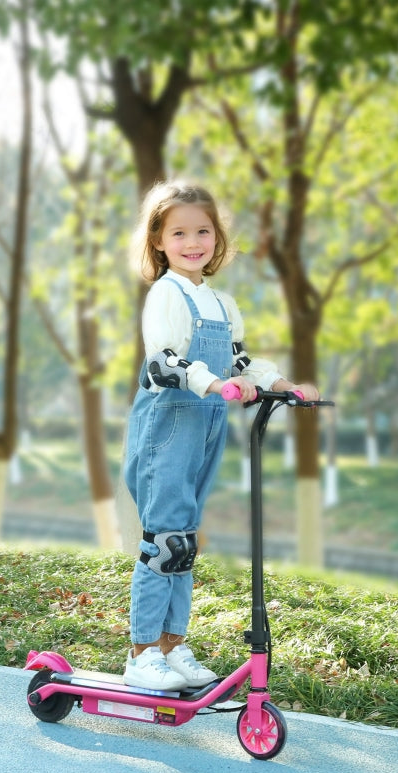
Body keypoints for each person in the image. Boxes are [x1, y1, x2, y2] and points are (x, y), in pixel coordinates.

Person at [122, 181, 319, 691]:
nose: (193, 242)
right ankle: (142, 652)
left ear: (217, 238)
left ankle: (173, 646)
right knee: (163, 540)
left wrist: (281, 385)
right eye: (180, 232)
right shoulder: (165, 294)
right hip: (167, 427)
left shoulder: (221, 302)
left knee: (184, 541)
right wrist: (214, 384)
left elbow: (240, 361)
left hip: (206, 426)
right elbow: (163, 361)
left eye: (203, 231)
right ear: (159, 241)